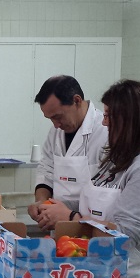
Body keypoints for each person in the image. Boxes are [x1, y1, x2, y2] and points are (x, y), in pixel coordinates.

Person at [39, 80, 140, 278]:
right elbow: (97, 202)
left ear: (130, 119)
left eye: (108, 116)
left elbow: (126, 236)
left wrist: (70, 216)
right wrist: (55, 207)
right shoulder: (119, 158)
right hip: (103, 272)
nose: (104, 123)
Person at [27, 75, 109, 230]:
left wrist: (68, 214)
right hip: (60, 228)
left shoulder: (104, 132)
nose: (56, 125)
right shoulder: (55, 132)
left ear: (76, 101)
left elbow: (106, 193)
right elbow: (47, 170)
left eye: (58, 117)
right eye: (50, 119)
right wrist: (41, 202)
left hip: (92, 228)